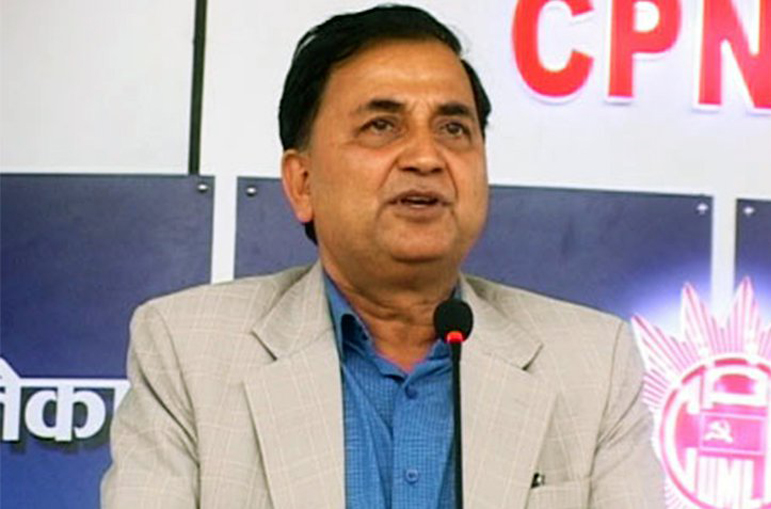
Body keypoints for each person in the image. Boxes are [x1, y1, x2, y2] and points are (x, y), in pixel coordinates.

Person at [102, 5, 664, 508]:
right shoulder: (189, 352)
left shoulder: (592, 364)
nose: (426, 157)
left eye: (453, 128)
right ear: (302, 183)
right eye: (381, 126)